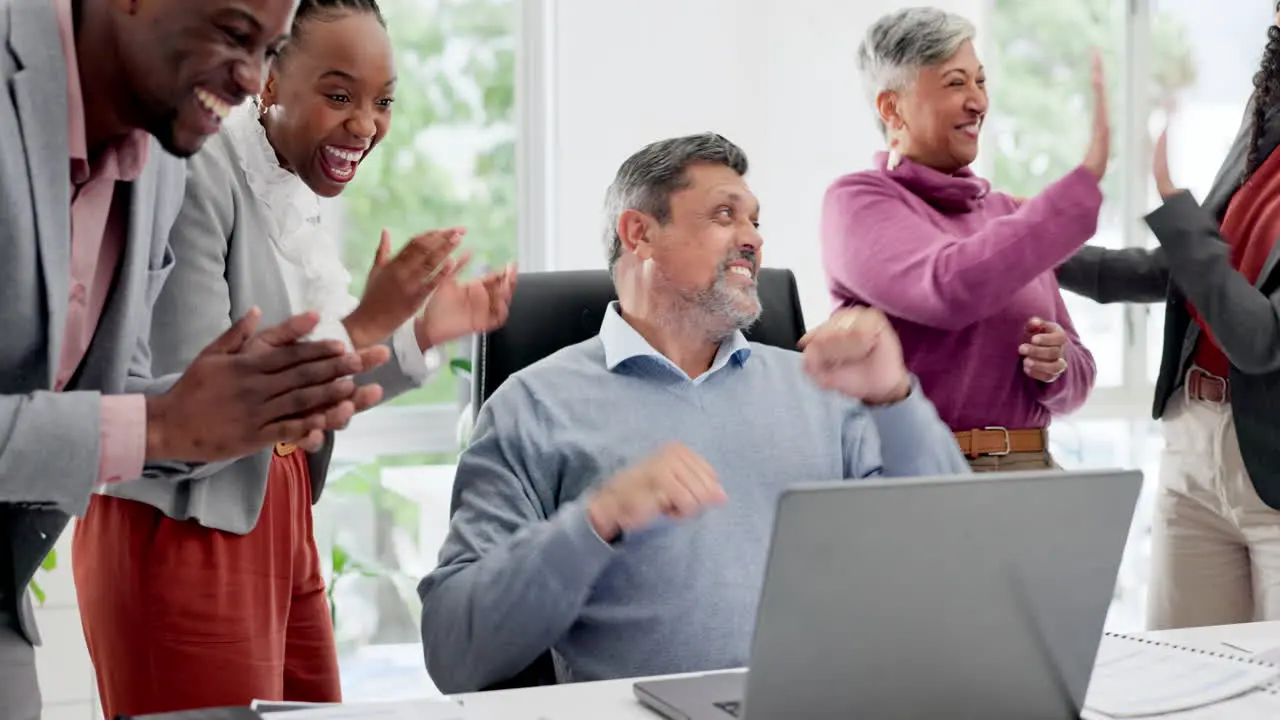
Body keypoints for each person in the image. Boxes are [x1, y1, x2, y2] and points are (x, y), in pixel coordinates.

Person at [70, 0, 516, 716]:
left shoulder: (286, 191)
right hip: (184, 527)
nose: (366, 124)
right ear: (269, 80)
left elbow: (309, 378)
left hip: (277, 517)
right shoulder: (196, 168)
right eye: (339, 95)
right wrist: (370, 316)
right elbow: (199, 402)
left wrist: (417, 334)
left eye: (382, 101)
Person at [417, 132, 970, 693]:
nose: (752, 238)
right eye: (724, 214)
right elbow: (454, 653)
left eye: (756, 221)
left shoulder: (825, 387)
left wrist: (894, 400)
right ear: (639, 234)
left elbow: (958, 561)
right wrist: (597, 518)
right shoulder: (532, 406)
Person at [0, 0, 394, 718]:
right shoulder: (193, 159)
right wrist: (156, 429)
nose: (250, 78)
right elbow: (161, 415)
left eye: (269, 49)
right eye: (236, 34)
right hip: (186, 528)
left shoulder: (157, 158)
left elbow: (144, 392)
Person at [1056, 6, 1280, 630]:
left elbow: (1259, 338)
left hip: (1274, 474)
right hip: (1193, 447)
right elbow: (1180, 270)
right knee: (1177, 677)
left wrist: (1177, 206)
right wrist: (1037, 247)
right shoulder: (1261, 130)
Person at [819, 7, 1107, 471]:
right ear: (892, 108)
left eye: (980, 81)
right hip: (921, 476)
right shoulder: (858, 202)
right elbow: (949, 287)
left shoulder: (1006, 215)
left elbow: (1081, 374)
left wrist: (1057, 366)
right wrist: (1076, 190)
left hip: (1030, 471)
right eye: (956, 83)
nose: (978, 102)